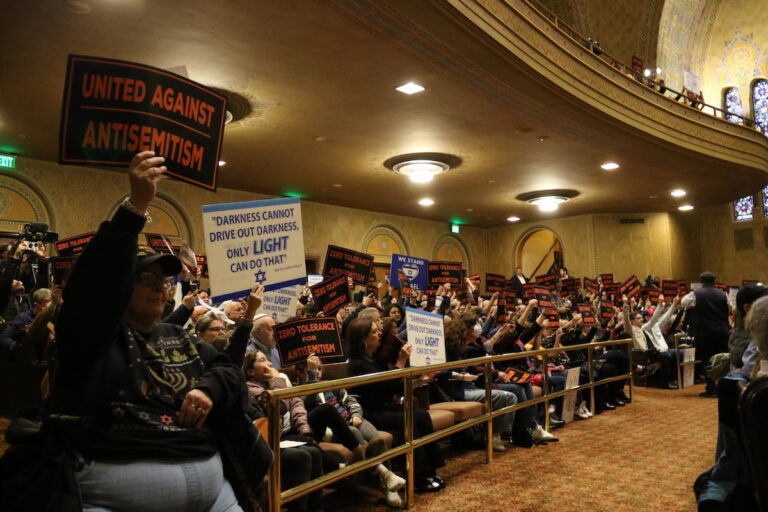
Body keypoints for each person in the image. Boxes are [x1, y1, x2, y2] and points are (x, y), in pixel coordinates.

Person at [50, 151, 266, 511]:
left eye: (163, 281)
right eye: (146, 279)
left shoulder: (179, 335)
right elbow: (89, 289)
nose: (159, 287)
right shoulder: (96, 338)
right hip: (116, 493)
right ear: (121, 289)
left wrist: (208, 390)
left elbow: (227, 369)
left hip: (214, 491)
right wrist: (135, 207)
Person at [346, 317, 446, 492]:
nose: (379, 334)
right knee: (407, 419)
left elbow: (395, 387)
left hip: (383, 406)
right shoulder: (358, 364)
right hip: (368, 412)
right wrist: (401, 361)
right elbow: (385, 386)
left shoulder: (375, 359)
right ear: (363, 339)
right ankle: (418, 475)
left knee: (420, 414)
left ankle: (431, 469)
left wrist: (420, 380)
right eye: (374, 332)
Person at [682, 272, 729, 397]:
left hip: (704, 333)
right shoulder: (723, 294)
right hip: (721, 331)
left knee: (706, 360)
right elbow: (729, 308)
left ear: (701, 281)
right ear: (714, 281)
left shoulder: (696, 294)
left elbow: (683, 303)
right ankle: (721, 387)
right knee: (721, 360)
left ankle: (711, 387)